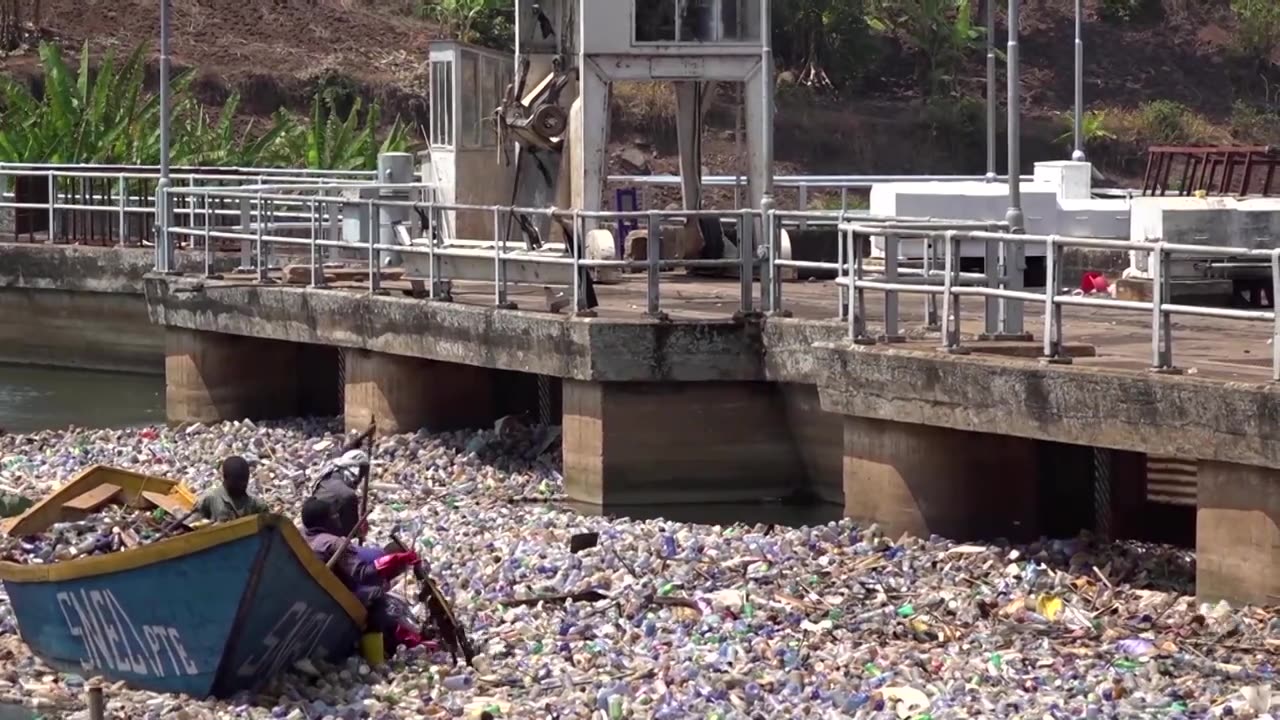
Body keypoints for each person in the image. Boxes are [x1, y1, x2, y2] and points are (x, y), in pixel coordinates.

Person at [299, 498, 426, 655]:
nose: (337, 519)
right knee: (376, 596)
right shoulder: (333, 544)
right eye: (333, 516)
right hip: (331, 597)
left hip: (306, 591)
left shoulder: (301, 538)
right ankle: (376, 655)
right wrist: (394, 561)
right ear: (323, 521)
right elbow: (363, 574)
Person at [310, 421, 377, 541]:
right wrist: (361, 531)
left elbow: (348, 450)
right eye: (361, 475)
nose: (360, 479)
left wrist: (365, 434)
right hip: (326, 538)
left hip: (310, 528)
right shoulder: (348, 495)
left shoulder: (330, 471)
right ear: (355, 471)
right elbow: (350, 532)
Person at [193, 456, 269, 523]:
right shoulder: (211, 499)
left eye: (245, 481)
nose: (242, 485)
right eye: (237, 482)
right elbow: (192, 528)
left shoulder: (255, 504)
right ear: (225, 478)